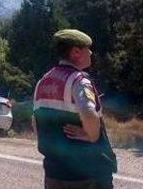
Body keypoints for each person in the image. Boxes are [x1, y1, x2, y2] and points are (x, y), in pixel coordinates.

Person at [32, 29, 117, 189]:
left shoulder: (43, 81)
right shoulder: (79, 80)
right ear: (76, 52)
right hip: (86, 173)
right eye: (88, 49)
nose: (91, 52)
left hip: (54, 171)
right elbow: (88, 112)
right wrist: (92, 136)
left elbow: (35, 122)